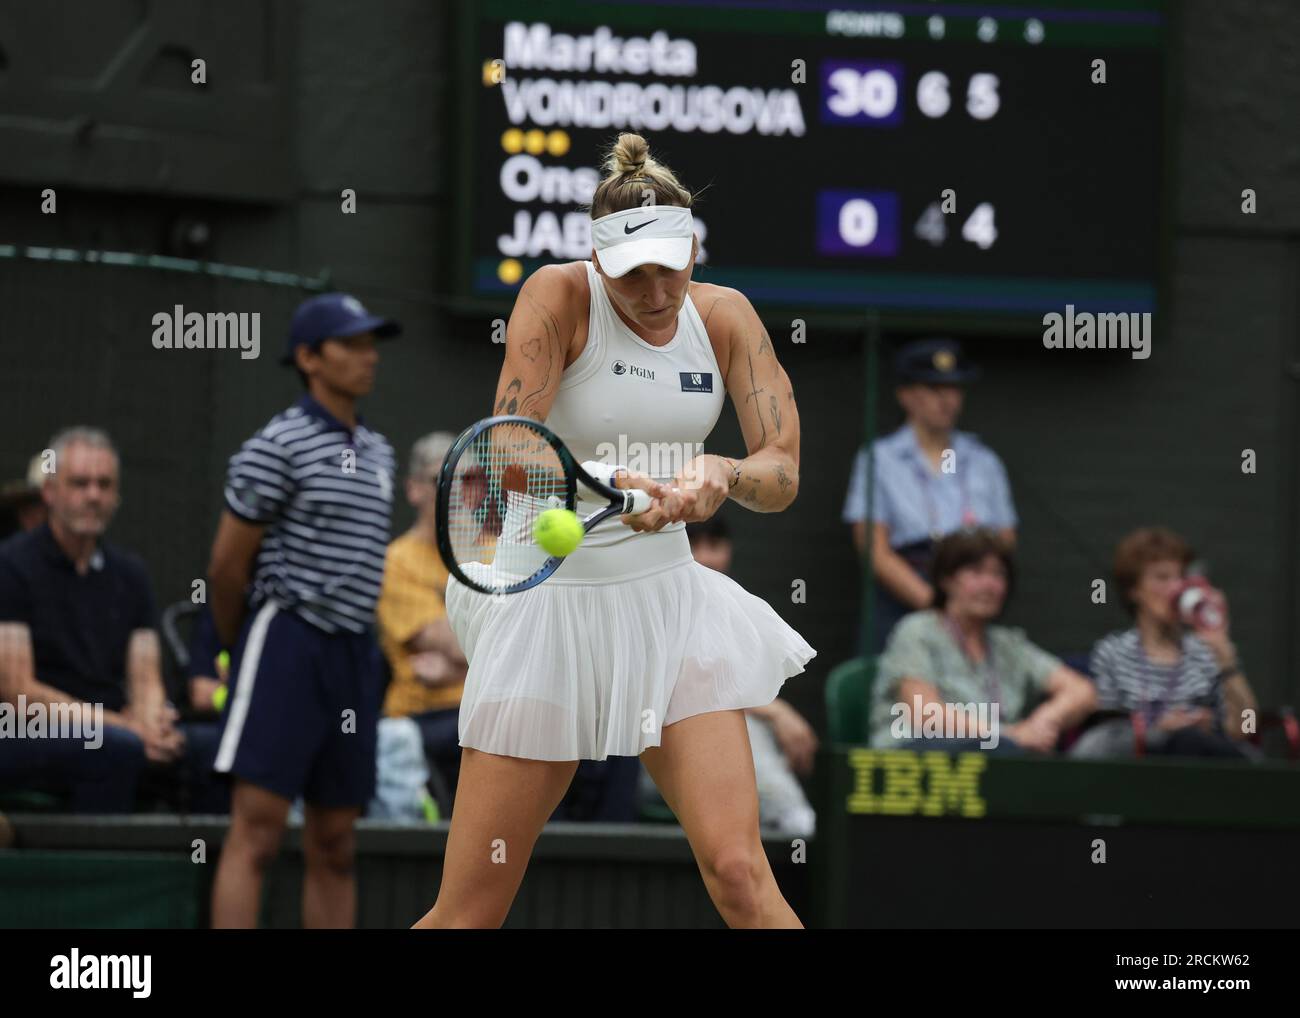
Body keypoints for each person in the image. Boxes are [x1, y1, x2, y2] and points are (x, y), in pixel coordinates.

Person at [415, 132, 815, 929]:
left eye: (672, 264)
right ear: (598, 264)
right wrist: (606, 483)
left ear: (693, 248)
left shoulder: (727, 317)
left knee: (740, 872)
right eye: (633, 274)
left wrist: (723, 475)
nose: (658, 290)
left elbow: (784, 472)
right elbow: (507, 446)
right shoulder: (555, 296)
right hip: (548, 607)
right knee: (470, 913)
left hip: (670, 607)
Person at [207, 292, 399, 927]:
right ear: (309, 359)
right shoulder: (276, 444)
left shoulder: (379, 452)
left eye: (373, 344)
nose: (368, 357)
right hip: (286, 645)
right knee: (256, 834)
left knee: (337, 843)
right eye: (352, 344)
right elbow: (227, 568)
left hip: (353, 658)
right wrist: (249, 645)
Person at [0, 428, 180, 811]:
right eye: (80, 484)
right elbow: (18, 693)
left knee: (201, 750)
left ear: (117, 495)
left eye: (104, 485)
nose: (93, 496)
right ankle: (101, 869)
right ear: (50, 492)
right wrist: (120, 726)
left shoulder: (131, 574)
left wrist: (151, 722)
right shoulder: (11, 565)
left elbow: (146, 677)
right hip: (25, 728)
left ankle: (202, 869)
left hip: (112, 725)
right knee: (114, 749)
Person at [842, 339, 1017, 653]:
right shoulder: (879, 458)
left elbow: (1005, 540)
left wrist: (969, 597)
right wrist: (936, 605)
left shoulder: (984, 460)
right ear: (906, 395)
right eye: (935, 389)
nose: (947, 400)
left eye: (954, 389)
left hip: (972, 593)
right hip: (904, 597)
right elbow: (873, 549)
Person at [870, 528, 1096, 753]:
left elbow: (1082, 691)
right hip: (917, 758)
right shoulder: (916, 631)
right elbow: (926, 715)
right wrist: (1010, 735)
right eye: (976, 572)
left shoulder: (1008, 644)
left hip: (997, 756)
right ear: (946, 580)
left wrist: (1043, 721)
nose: (989, 585)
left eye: (998, 575)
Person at [1070, 527, 1259, 760]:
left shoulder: (1206, 652)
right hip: (1136, 772)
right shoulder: (1113, 652)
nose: (1175, 588)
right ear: (1134, 590)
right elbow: (1106, 738)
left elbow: (1247, 728)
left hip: (1201, 767)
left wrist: (1224, 654)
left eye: (1181, 577)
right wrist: (1159, 733)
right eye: (1162, 577)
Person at [684, 513, 818, 836]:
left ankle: (786, 825)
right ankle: (790, 814)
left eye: (714, 546)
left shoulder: (730, 607)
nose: (704, 557)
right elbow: (691, 685)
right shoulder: (660, 605)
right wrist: (777, 712)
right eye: (692, 546)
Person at [376, 431, 468, 801]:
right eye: (440, 478)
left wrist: (455, 669)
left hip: (491, 708)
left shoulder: (499, 554)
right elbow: (477, 645)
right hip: (426, 719)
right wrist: (485, 660)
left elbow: (530, 647)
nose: (457, 488)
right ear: (414, 489)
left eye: (469, 478)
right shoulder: (396, 562)